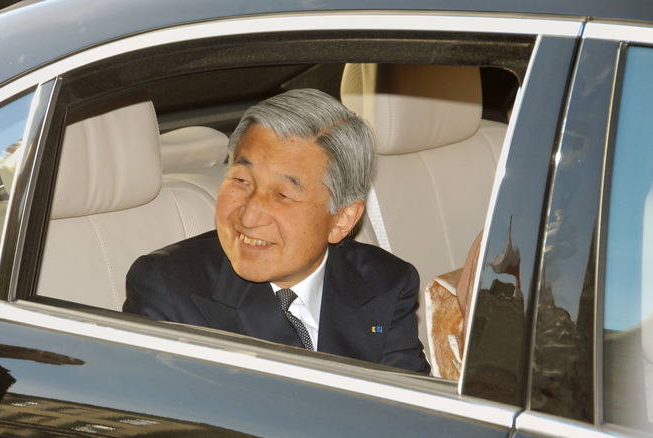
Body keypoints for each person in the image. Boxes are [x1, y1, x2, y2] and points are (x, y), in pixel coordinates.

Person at [123, 88, 429, 373]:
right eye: (241, 181)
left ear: (341, 221)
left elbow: (416, 417)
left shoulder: (385, 283)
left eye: (283, 195)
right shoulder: (167, 290)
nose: (249, 214)